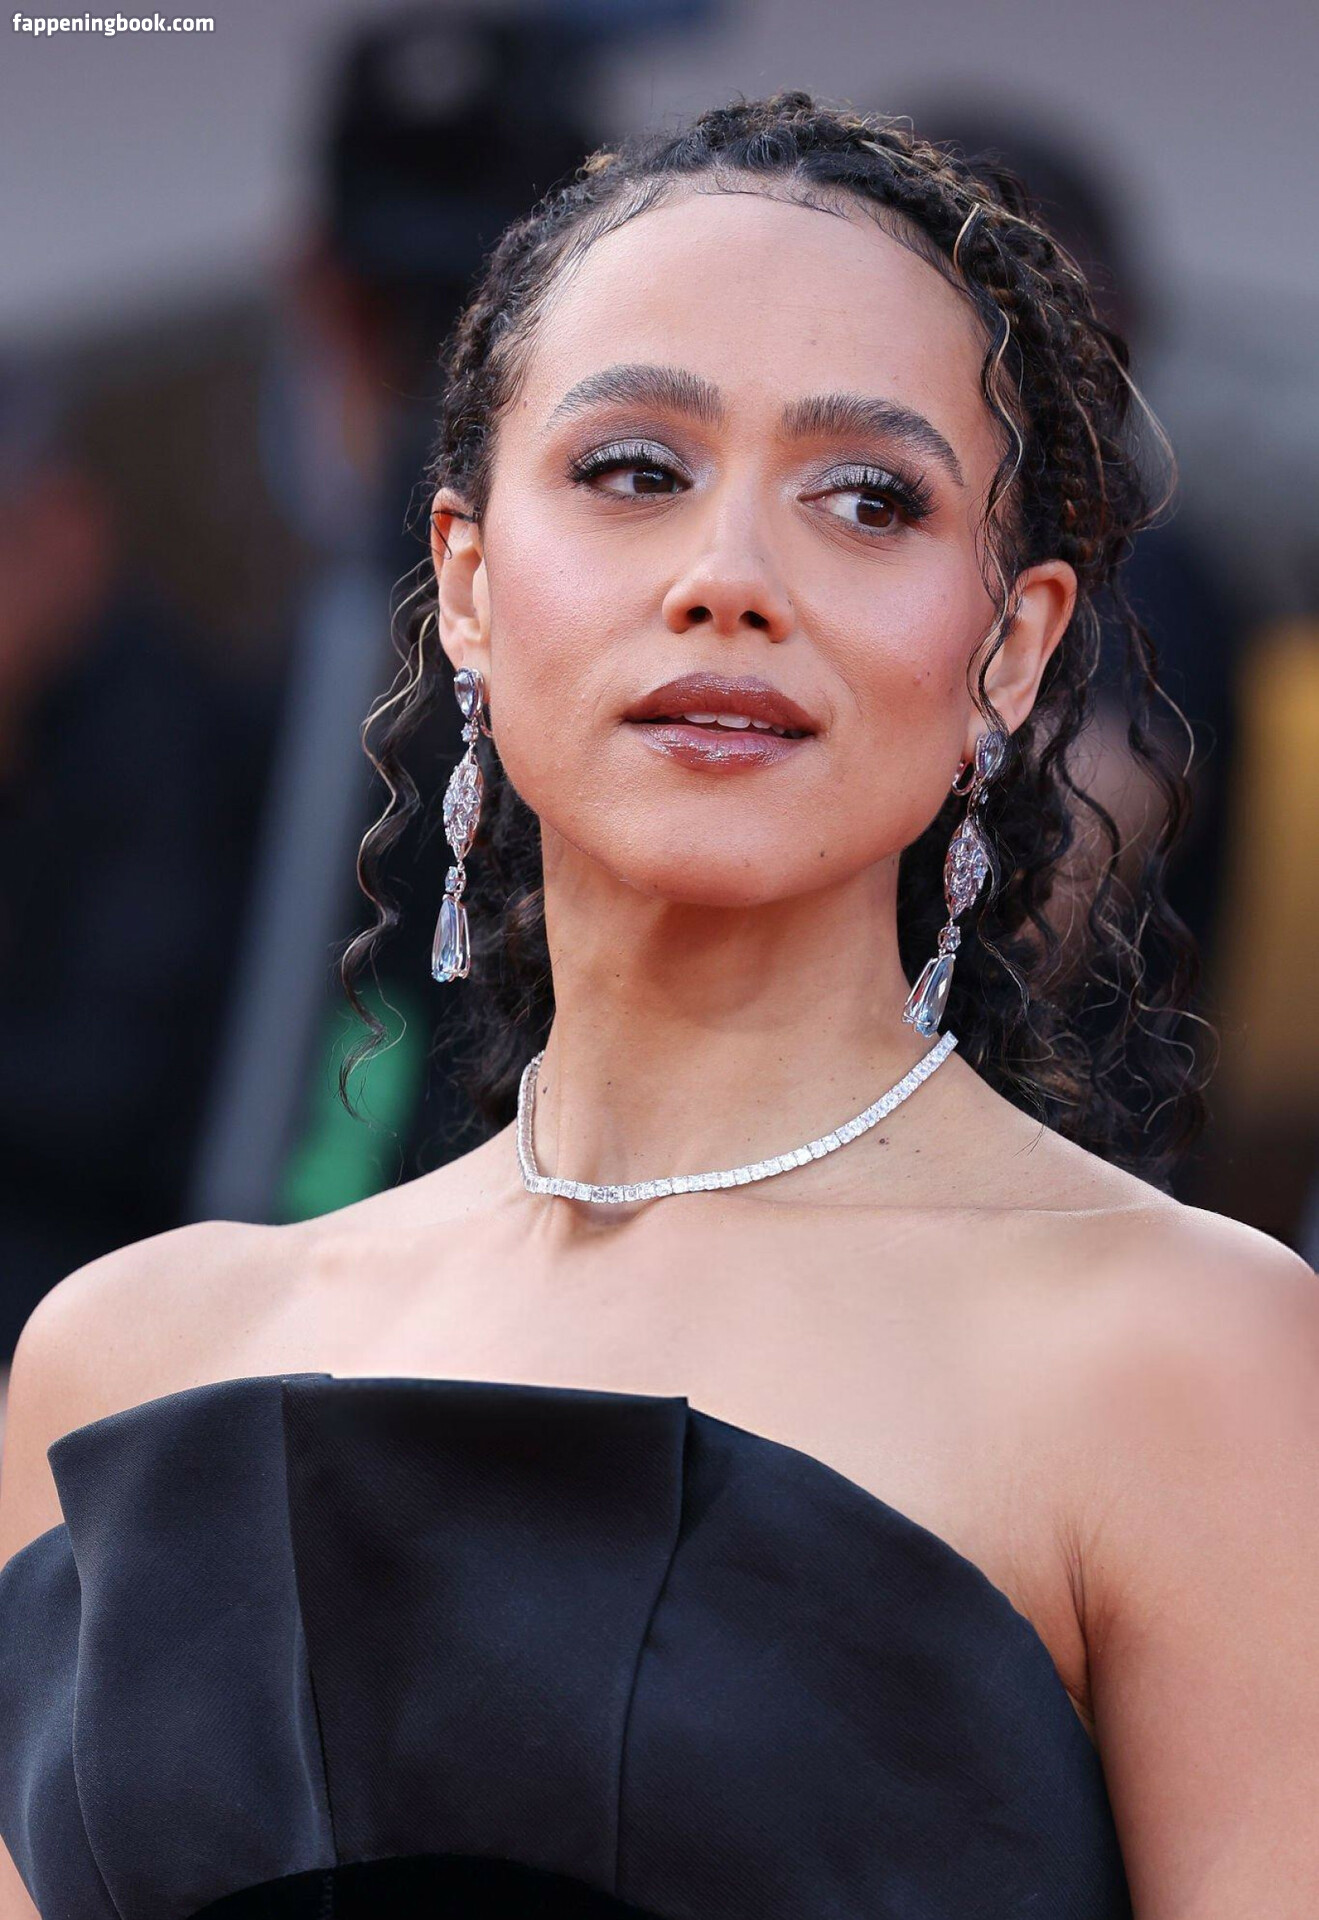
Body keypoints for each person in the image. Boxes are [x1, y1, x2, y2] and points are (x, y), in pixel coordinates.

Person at [1, 93, 1316, 1918]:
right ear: (467, 579)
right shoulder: (127, 1365)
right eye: (633, 470)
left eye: (870, 498)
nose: (730, 581)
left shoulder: (1187, 1364)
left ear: (1012, 649)